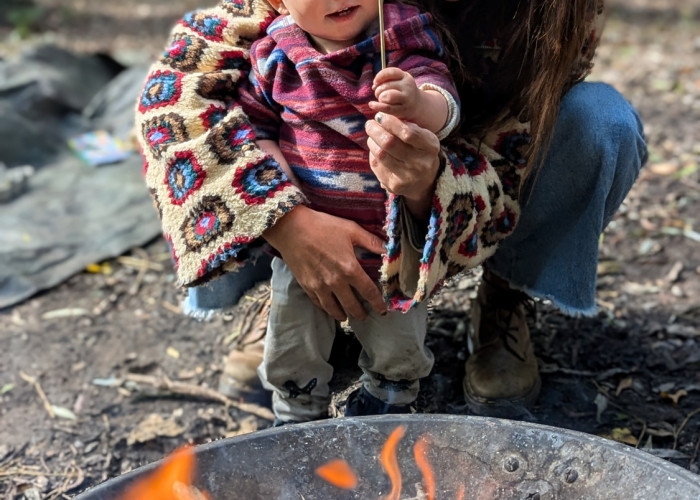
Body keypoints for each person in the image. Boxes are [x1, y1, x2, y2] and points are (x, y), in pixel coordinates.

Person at [136, 0, 647, 419]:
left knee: (600, 123)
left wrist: (430, 184)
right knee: (194, 145)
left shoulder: (410, 29)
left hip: (410, 213)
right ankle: (287, 355)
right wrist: (289, 223)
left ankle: (489, 309)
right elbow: (181, 99)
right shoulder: (280, 39)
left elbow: (494, 127)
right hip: (307, 204)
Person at [233, 0, 460, 424]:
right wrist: (286, 199)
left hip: (387, 242)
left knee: (398, 341)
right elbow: (254, 131)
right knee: (294, 336)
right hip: (303, 248)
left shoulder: (400, 34)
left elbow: (445, 105)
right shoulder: (273, 54)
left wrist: (417, 105)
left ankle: (388, 400)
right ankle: (297, 411)